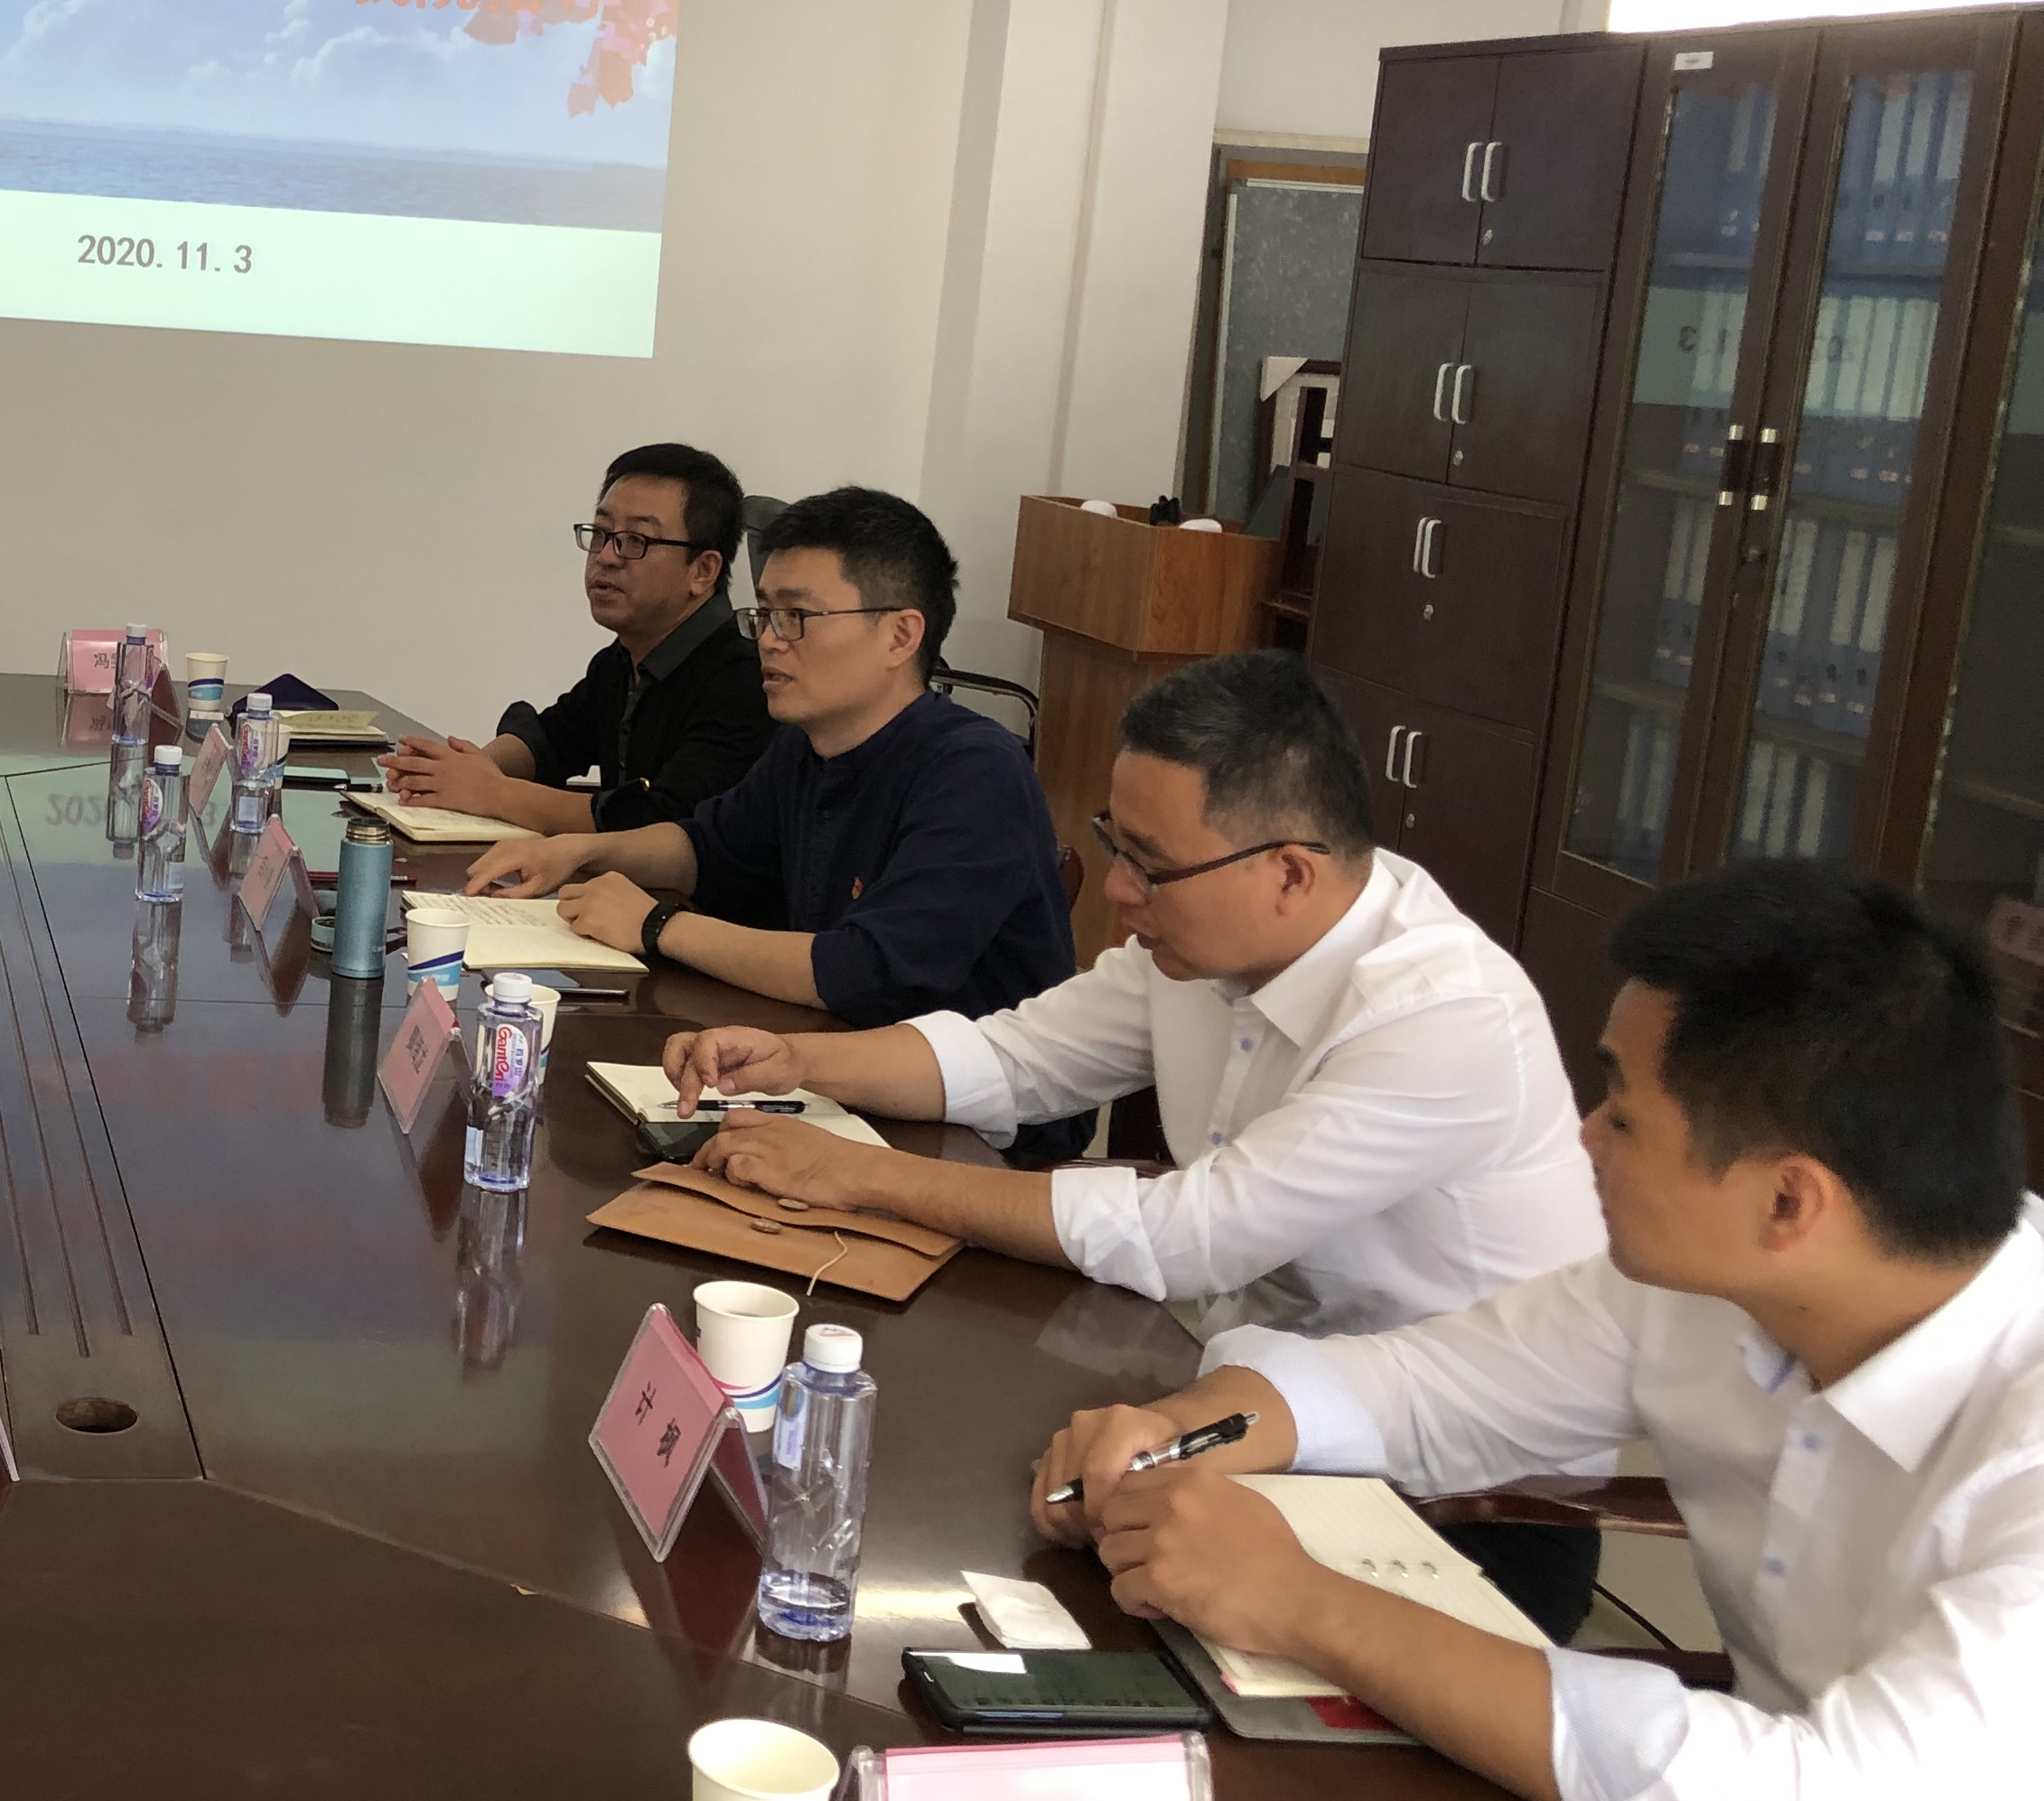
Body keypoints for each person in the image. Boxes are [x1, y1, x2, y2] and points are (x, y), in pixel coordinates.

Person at [1032, 863, 2044, 1801]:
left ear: (1790, 1199)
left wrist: (1305, 1602)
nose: (1583, 1136)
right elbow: (1423, 1387)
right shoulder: (1708, 1282)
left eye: (1624, 1112)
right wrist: (1177, 1430)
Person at [666, 648, 1601, 1335]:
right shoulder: (1196, 948)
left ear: (1289, 873)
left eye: (1151, 865)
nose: (1118, 890)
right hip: (1250, 1371)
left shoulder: (1439, 1013)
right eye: (1116, 845)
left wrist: (859, 1173)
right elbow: (1015, 1058)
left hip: (1444, 1474)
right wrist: (797, 1061)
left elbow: (1195, 1236)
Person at [463, 487, 1071, 1032]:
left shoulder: (974, 772)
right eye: (766, 614)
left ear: (901, 636)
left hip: (956, 1106)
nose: (770, 640)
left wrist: (656, 926)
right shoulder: (806, 745)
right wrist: (579, 852)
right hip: (818, 1051)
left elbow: (870, 971)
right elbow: (708, 848)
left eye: (797, 617)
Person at [378, 443, 770, 836]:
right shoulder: (622, 660)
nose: (606, 557)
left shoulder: (747, 680)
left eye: (636, 540)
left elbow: (661, 821)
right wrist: (462, 769)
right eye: (601, 533)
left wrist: (492, 791)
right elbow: (550, 741)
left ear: (703, 570)